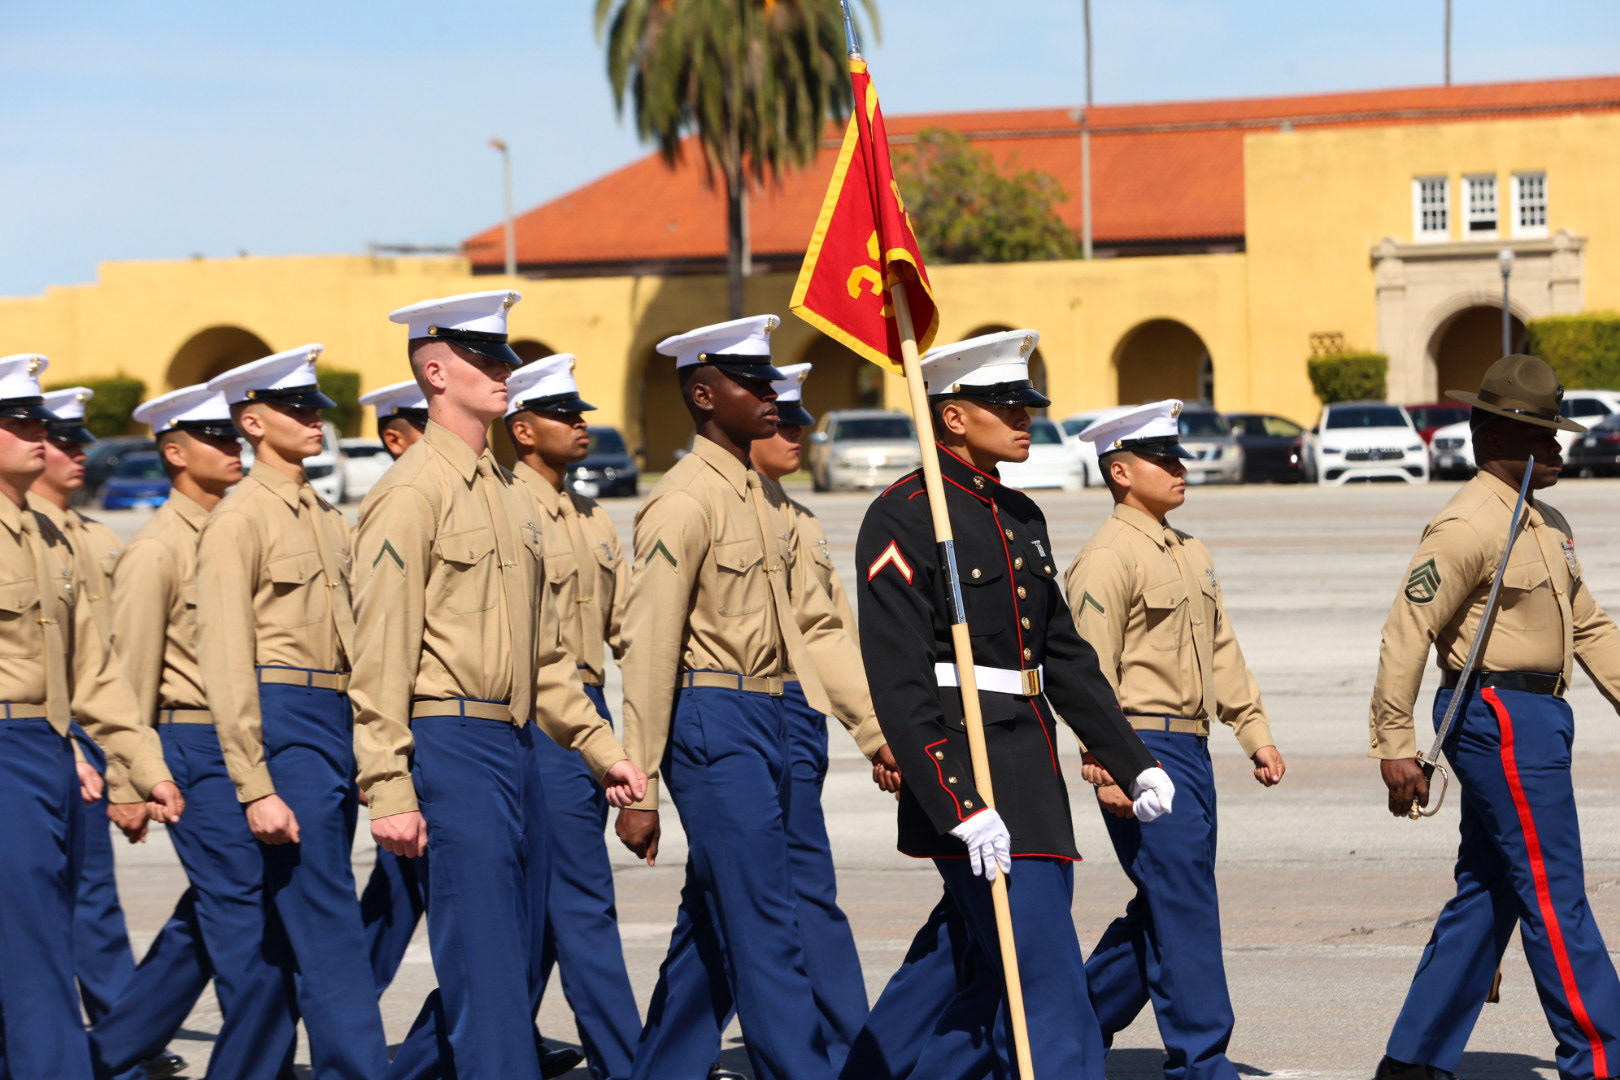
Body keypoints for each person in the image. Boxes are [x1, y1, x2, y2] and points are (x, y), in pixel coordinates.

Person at [844, 329, 1173, 1080]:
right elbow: (899, 682)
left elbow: (1064, 657)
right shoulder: (904, 517)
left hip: (1029, 767)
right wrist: (957, 801)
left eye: (1026, 404)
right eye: (1006, 406)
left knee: (967, 974)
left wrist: (1132, 760)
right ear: (954, 417)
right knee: (1048, 982)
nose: (1026, 418)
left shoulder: (1021, 515)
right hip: (969, 774)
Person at [349, 290, 646, 1080]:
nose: (501, 371)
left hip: (515, 745)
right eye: (483, 359)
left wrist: (601, 748)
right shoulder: (411, 492)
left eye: (504, 357)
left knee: (512, 956)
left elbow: (544, 654)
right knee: (484, 962)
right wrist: (388, 785)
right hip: (449, 741)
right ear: (435, 373)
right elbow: (378, 653)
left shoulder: (508, 497)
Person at [617, 315, 882, 1080]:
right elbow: (650, 647)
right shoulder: (683, 501)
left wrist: (876, 731)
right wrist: (639, 782)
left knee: (739, 909)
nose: (773, 398)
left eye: (772, 383)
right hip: (715, 716)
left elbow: (818, 632)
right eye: (753, 384)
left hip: (776, 714)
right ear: (704, 395)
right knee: (766, 921)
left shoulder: (767, 505)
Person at [1370, 354, 1620, 1080]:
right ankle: (1600, 1057)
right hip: (1499, 715)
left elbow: (1589, 625)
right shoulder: (1466, 524)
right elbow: (1407, 630)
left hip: (1538, 715)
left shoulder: (1545, 520)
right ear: (1498, 437)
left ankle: (1414, 1060)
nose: (1558, 446)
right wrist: (1395, 742)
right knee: (1551, 888)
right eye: (1543, 434)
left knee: (1493, 887)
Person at [1068, 399, 1286, 1080]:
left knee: (1169, 899)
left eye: (1177, 456)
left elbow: (1222, 650)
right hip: (1140, 747)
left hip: (1190, 747)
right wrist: (1107, 764)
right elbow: (1088, 673)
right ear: (1120, 471)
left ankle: (1068, 1025)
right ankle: (1202, 1059)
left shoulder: (1190, 552)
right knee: (1184, 900)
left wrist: (1253, 731)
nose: (1178, 468)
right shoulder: (1107, 558)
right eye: (1162, 459)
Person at [91, 384, 301, 1080]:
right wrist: (128, 781)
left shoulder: (237, 526)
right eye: (214, 438)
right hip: (196, 747)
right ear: (175, 453)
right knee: (248, 926)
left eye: (232, 435)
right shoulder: (157, 550)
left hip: (249, 743)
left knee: (206, 922)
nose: (232, 447)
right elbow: (127, 677)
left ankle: (102, 1054)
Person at [198, 345, 388, 1080]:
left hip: (334, 714)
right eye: (296, 408)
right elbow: (225, 659)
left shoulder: (327, 517)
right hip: (283, 716)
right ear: (252, 422)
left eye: (315, 407)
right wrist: (255, 784)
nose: (314, 420)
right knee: (328, 915)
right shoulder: (238, 520)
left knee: (294, 927)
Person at [0, 353, 182, 1080]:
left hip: (42, 748)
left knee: (44, 932)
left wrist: (144, 765)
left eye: (40, 425)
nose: (40, 438)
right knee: (35, 948)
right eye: (21, 425)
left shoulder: (47, 536)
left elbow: (94, 674)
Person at [503, 353, 639, 1080]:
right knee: (580, 899)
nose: (580, 425)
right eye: (562, 415)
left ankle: (464, 1048)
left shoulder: (594, 518)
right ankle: (627, 1061)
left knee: (547, 914)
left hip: (588, 708)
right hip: (537, 719)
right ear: (522, 430)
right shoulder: (505, 509)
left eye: (580, 413)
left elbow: (631, 632)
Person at [353, 378, 430, 996]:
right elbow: (380, 647)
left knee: (405, 887)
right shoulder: (398, 505)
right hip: (409, 722)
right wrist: (381, 765)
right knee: (404, 882)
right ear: (396, 439)